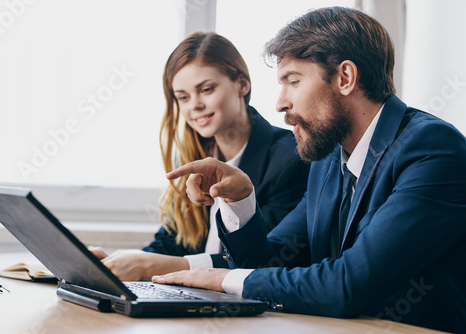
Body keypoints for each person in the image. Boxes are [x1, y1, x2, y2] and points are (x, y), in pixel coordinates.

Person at [151, 7, 466, 333]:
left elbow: (348, 284)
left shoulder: (432, 150)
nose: (280, 103)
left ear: (345, 78)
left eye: (293, 81)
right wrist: (241, 200)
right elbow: (270, 264)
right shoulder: (328, 161)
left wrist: (224, 278)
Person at [90, 32, 309, 281]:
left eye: (205, 89)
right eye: (183, 97)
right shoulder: (194, 159)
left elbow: (261, 260)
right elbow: (168, 247)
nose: (194, 105)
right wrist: (115, 264)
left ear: (242, 84)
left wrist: (153, 265)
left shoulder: (292, 157)